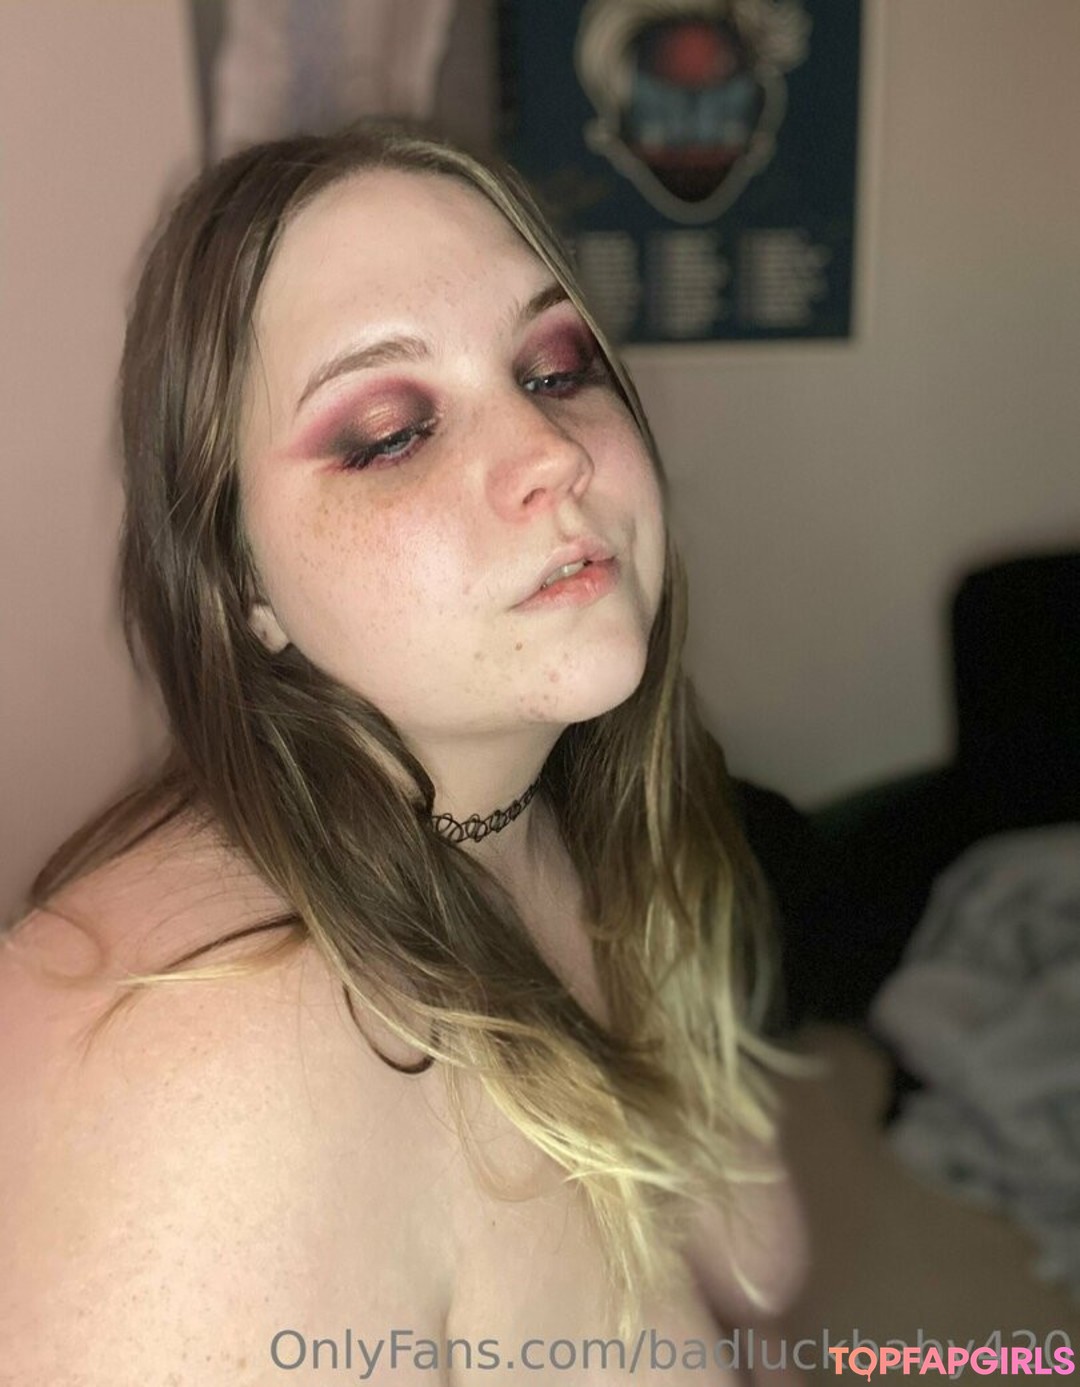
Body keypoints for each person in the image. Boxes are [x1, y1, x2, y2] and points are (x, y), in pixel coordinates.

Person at [0, 122, 808, 1384]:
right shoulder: (198, 1073)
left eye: (556, 367)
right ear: (239, 585)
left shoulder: (583, 812)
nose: (554, 453)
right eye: (390, 432)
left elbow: (753, 1287)